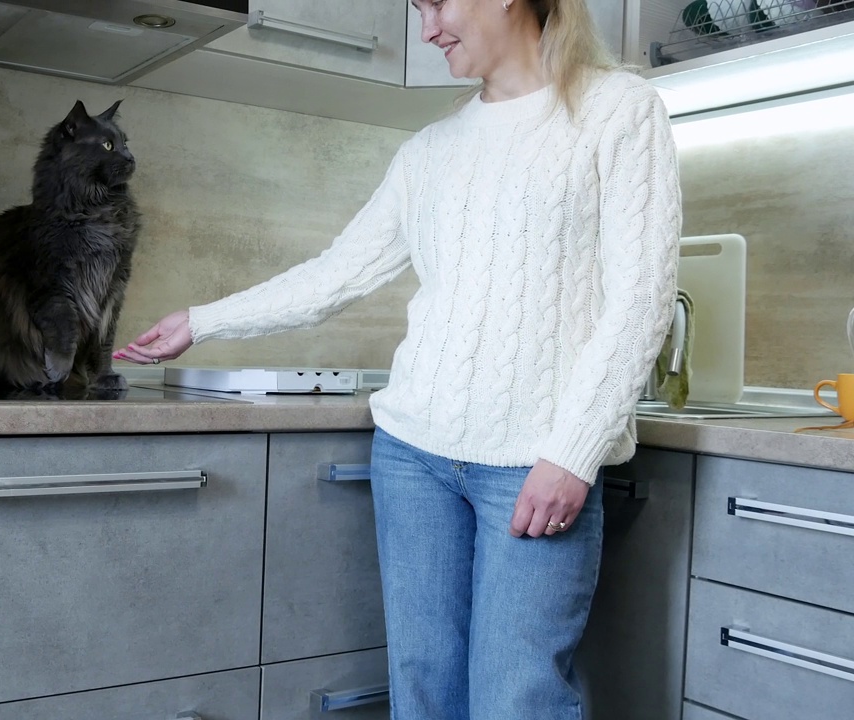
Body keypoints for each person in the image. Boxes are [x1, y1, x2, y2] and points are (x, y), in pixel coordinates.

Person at [114, 0, 682, 715]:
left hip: (536, 462)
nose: (428, 28)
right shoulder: (429, 151)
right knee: (420, 691)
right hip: (414, 455)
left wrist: (572, 453)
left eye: (436, 3)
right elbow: (336, 274)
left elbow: (643, 301)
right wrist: (200, 321)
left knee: (519, 699)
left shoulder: (619, 110)